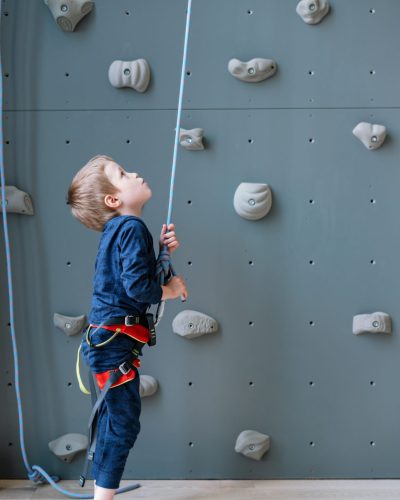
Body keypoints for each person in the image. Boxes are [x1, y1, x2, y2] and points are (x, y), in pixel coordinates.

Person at [67, 154, 188, 500]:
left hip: (108, 342)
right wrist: (172, 289)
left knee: (115, 419)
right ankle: (103, 497)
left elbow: (126, 282)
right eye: (122, 173)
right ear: (113, 199)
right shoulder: (132, 229)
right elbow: (138, 290)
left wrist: (160, 254)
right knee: (122, 423)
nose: (134, 172)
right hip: (114, 344)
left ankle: (103, 491)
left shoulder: (119, 231)